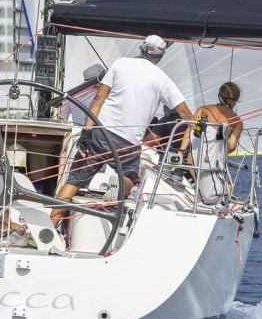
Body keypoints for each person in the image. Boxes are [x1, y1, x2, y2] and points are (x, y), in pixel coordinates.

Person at [51, 35, 193, 225]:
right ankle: (111, 210)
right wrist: (200, 125)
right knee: (129, 177)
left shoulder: (120, 64)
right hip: (128, 142)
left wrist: (87, 131)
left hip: (100, 133)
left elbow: (99, 98)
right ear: (160, 57)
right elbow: (184, 112)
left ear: (141, 49)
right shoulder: (163, 79)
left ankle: (50, 228)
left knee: (74, 181)